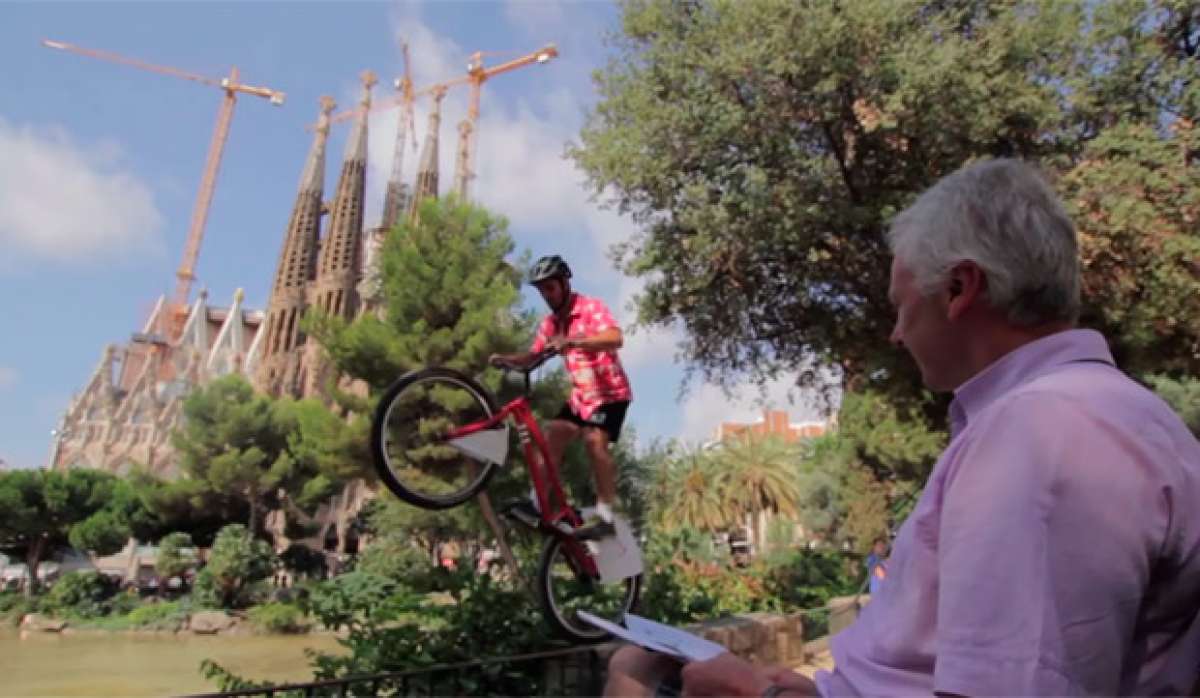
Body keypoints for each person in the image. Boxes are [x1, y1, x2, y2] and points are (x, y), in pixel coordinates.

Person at [604, 158, 1200, 697]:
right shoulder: (1111, 415)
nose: (895, 333)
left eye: (900, 305)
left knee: (631, 671)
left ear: (960, 289)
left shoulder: (1041, 436)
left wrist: (759, 696)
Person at [489, 255, 633, 540]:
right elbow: (533, 357)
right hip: (581, 398)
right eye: (541, 291)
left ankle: (605, 517)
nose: (546, 296)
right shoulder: (550, 324)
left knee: (595, 440)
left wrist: (575, 341)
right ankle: (536, 503)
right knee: (552, 435)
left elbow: (615, 338)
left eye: (550, 288)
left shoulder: (590, 308)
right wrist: (507, 359)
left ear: (565, 283)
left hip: (610, 393)